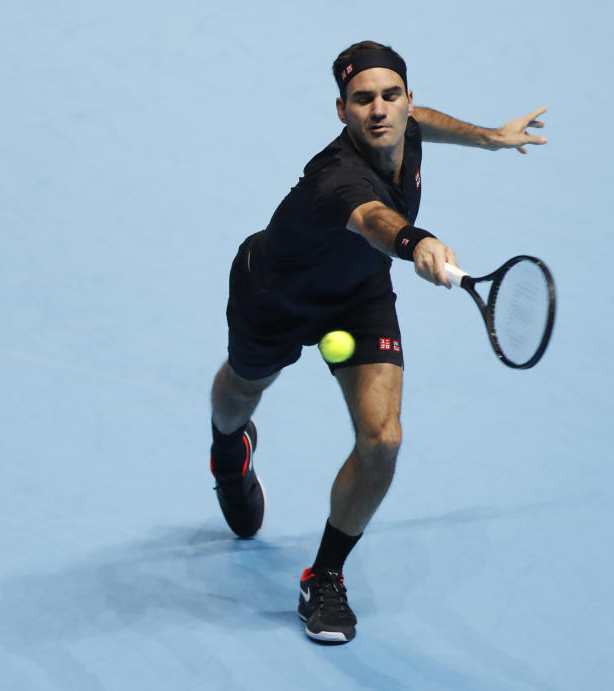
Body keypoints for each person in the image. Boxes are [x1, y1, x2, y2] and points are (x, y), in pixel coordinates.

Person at [208, 40, 547, 644]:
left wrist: (491, 136)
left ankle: (326, 575)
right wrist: (417, 241)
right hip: (274, 295)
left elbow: (426, 124)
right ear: (341, 111)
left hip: (358, 296)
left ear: (407, 100)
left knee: (383, 439)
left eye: (392, 96)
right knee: (239, 393)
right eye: (362, 100)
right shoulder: (336, 177)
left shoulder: (405, 126)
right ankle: (229, 454)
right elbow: (372, 219)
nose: (380, 110)